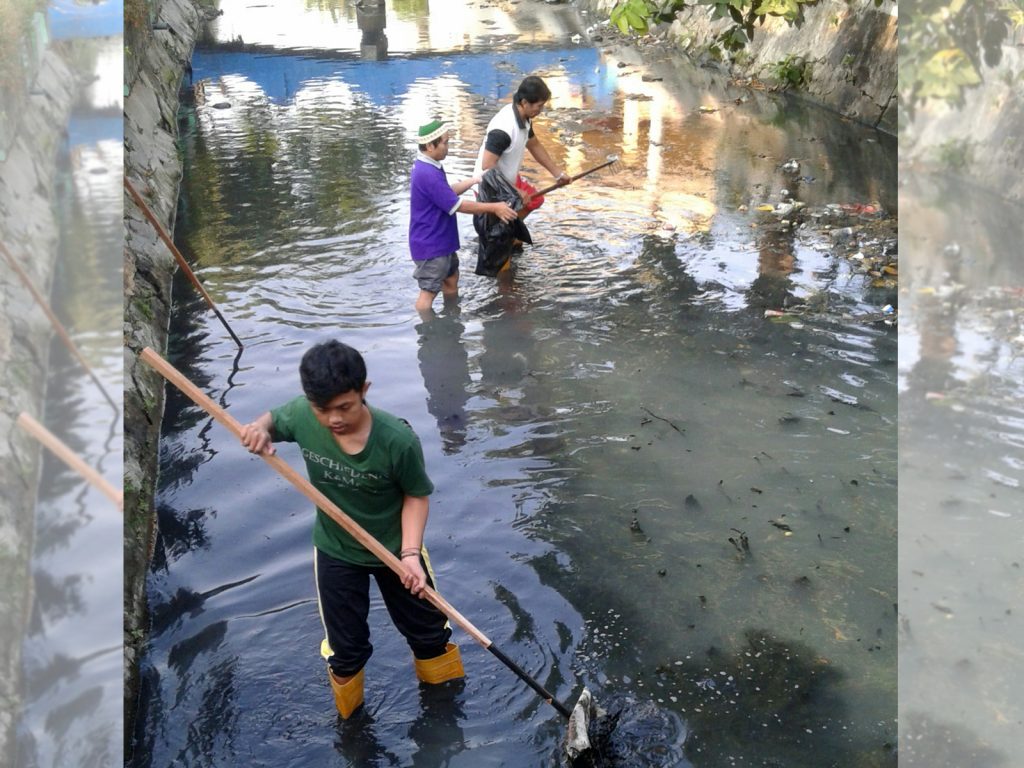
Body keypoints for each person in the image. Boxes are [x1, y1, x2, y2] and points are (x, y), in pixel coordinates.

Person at [240, 340, 464, 719]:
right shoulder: (304, 415)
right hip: (337, 549)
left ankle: (444, 715)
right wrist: (257, 430)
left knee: (430, 636)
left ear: (364, 391)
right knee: (346, 652)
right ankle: (353, 729)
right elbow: (272, 421)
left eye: (344, 407)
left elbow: (416, 496)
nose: (333, 420)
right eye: (322, 410)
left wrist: (410, 554)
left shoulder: (397, 440)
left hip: (396, 549)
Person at [409, 119, 517, 314]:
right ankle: (429, 335)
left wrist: (473, 180)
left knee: (451, 280)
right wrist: (494, 207)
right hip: (431, 246)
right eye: (445, 143)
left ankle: (452, 318)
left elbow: (446, 193)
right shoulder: (427, 173)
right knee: (428, 294)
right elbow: (457, 205)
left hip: (442, 242)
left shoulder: (431, 166)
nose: (448, 147)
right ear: (430, 146)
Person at [473, 75, 571, 223]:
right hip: (489, 185)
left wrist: (558, 174)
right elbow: (487, 166)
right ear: (524, 102)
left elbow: (534, 145)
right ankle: (509, 230)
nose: (541, 110)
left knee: (534, 199)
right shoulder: (503, 129)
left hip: (507, 177)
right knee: (495, 230)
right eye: (539, 106)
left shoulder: (524, 117)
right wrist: (515, 191)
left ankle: (512, 231)